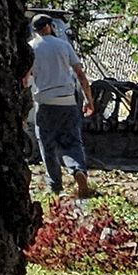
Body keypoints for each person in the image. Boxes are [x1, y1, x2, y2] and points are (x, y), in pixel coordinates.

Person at [26, 12, 93, 197]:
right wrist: (88, 99)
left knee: (47, 144)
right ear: (50, 26)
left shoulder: (31, 48)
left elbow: (25, 78)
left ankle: (55, 185)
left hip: (44, 102)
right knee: (72, 141)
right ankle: (78, 169)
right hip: (67, 101)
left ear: (35, 30)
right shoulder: (64, 45)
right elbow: (80, 75)